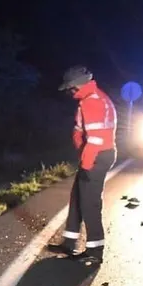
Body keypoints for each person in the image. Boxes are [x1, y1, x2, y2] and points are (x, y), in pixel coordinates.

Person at [47, 65, 118, 266]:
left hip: (97, 156)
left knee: (90, 204)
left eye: (70, 88)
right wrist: (79, 143)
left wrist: (86, 164)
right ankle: (69, 243)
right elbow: (81, 130)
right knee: (77, 198)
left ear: (78, 85)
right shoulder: (88, 99)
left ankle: (95, 251)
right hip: (93, 154)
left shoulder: (93, 102)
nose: (69, 92)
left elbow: (95, 140)